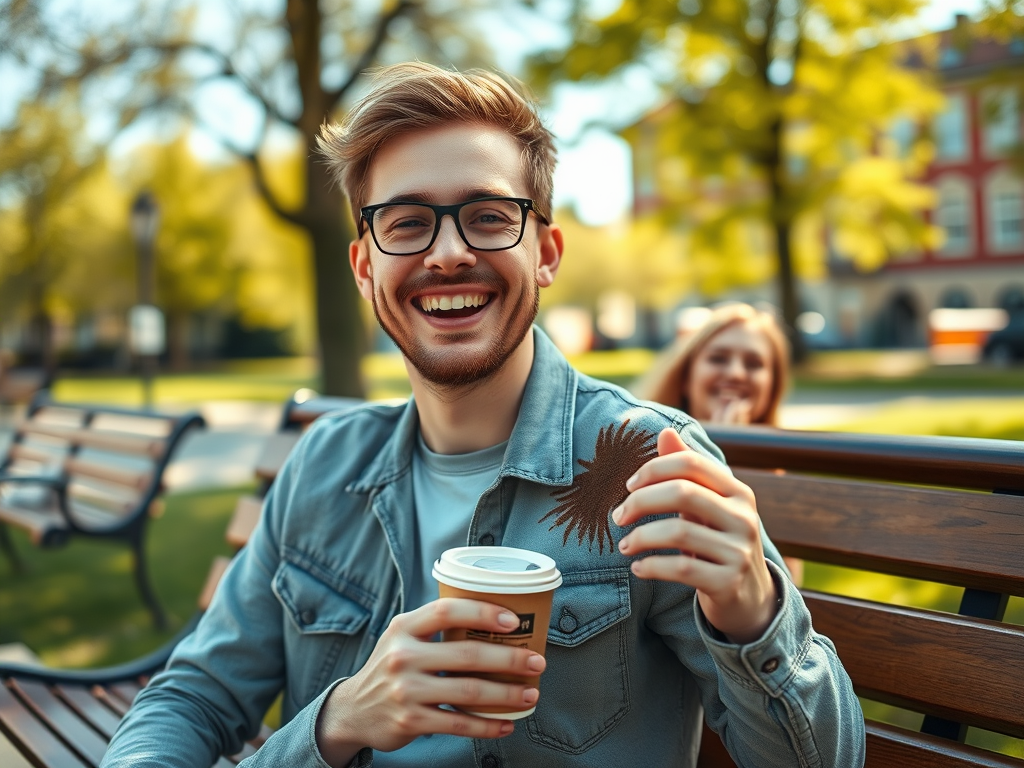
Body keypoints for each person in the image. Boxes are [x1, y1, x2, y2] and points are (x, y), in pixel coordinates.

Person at [101, 63, 863, 768]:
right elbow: (194, 695)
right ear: (366, 268)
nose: (448, 254)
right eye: (406, 223)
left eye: (489, 216)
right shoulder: (322, 467)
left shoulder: (646, 463)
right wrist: (336, 722)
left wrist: (752, 612)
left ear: (547, 253)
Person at [632, 303, 804, 584]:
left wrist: (734, 462)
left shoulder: (780, 476)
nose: (736, 373)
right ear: (686, 377)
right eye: (719, 358)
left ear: (772, 385)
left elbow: (790, 586)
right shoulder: (645, 450)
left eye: (754, 364)